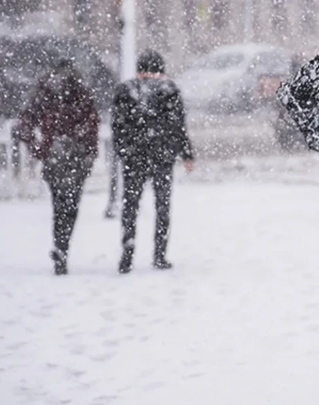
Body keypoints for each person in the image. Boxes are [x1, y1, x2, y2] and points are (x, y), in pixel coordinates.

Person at [13, 59, 99, 275]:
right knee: (71, 205)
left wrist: (38, 148)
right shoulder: (81, 92)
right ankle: (63, 245)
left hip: (54, 154)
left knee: (59, 204)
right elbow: (92, 125)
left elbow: (25, 124)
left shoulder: (45, 92)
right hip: (77, 154)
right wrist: (89, 152)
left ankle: (60, 246)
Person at [111, 50, 195, 274]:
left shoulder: (125, 90)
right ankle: (159, 253)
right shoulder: (169, 90)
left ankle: (128, 248)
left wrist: (124, 151)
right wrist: (186, 153)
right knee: (162, 205)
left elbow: (117, 126)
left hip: (134, 157)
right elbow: (178, 126)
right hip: (162, 157)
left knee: (130, 204)